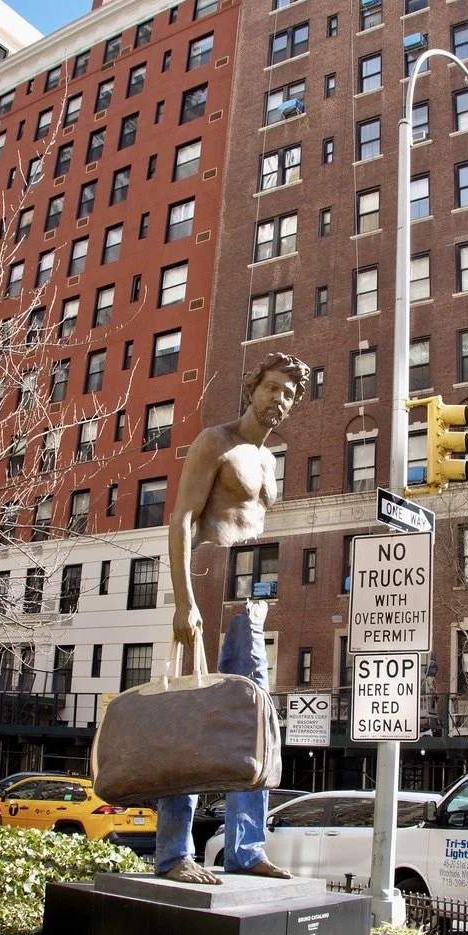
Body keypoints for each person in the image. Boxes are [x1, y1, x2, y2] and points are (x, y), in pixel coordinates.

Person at [156, 353, 310, 885]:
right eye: (272, 388)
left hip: (252, 602)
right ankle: (174, 854)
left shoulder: (270, 461)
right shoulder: (214, 442)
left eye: (288, 394)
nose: (279, 399)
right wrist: (184, 601)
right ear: (252, 388)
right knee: (191, 718)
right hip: (208, 582)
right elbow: (181, 519)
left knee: (253, 722)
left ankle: (245, 849)